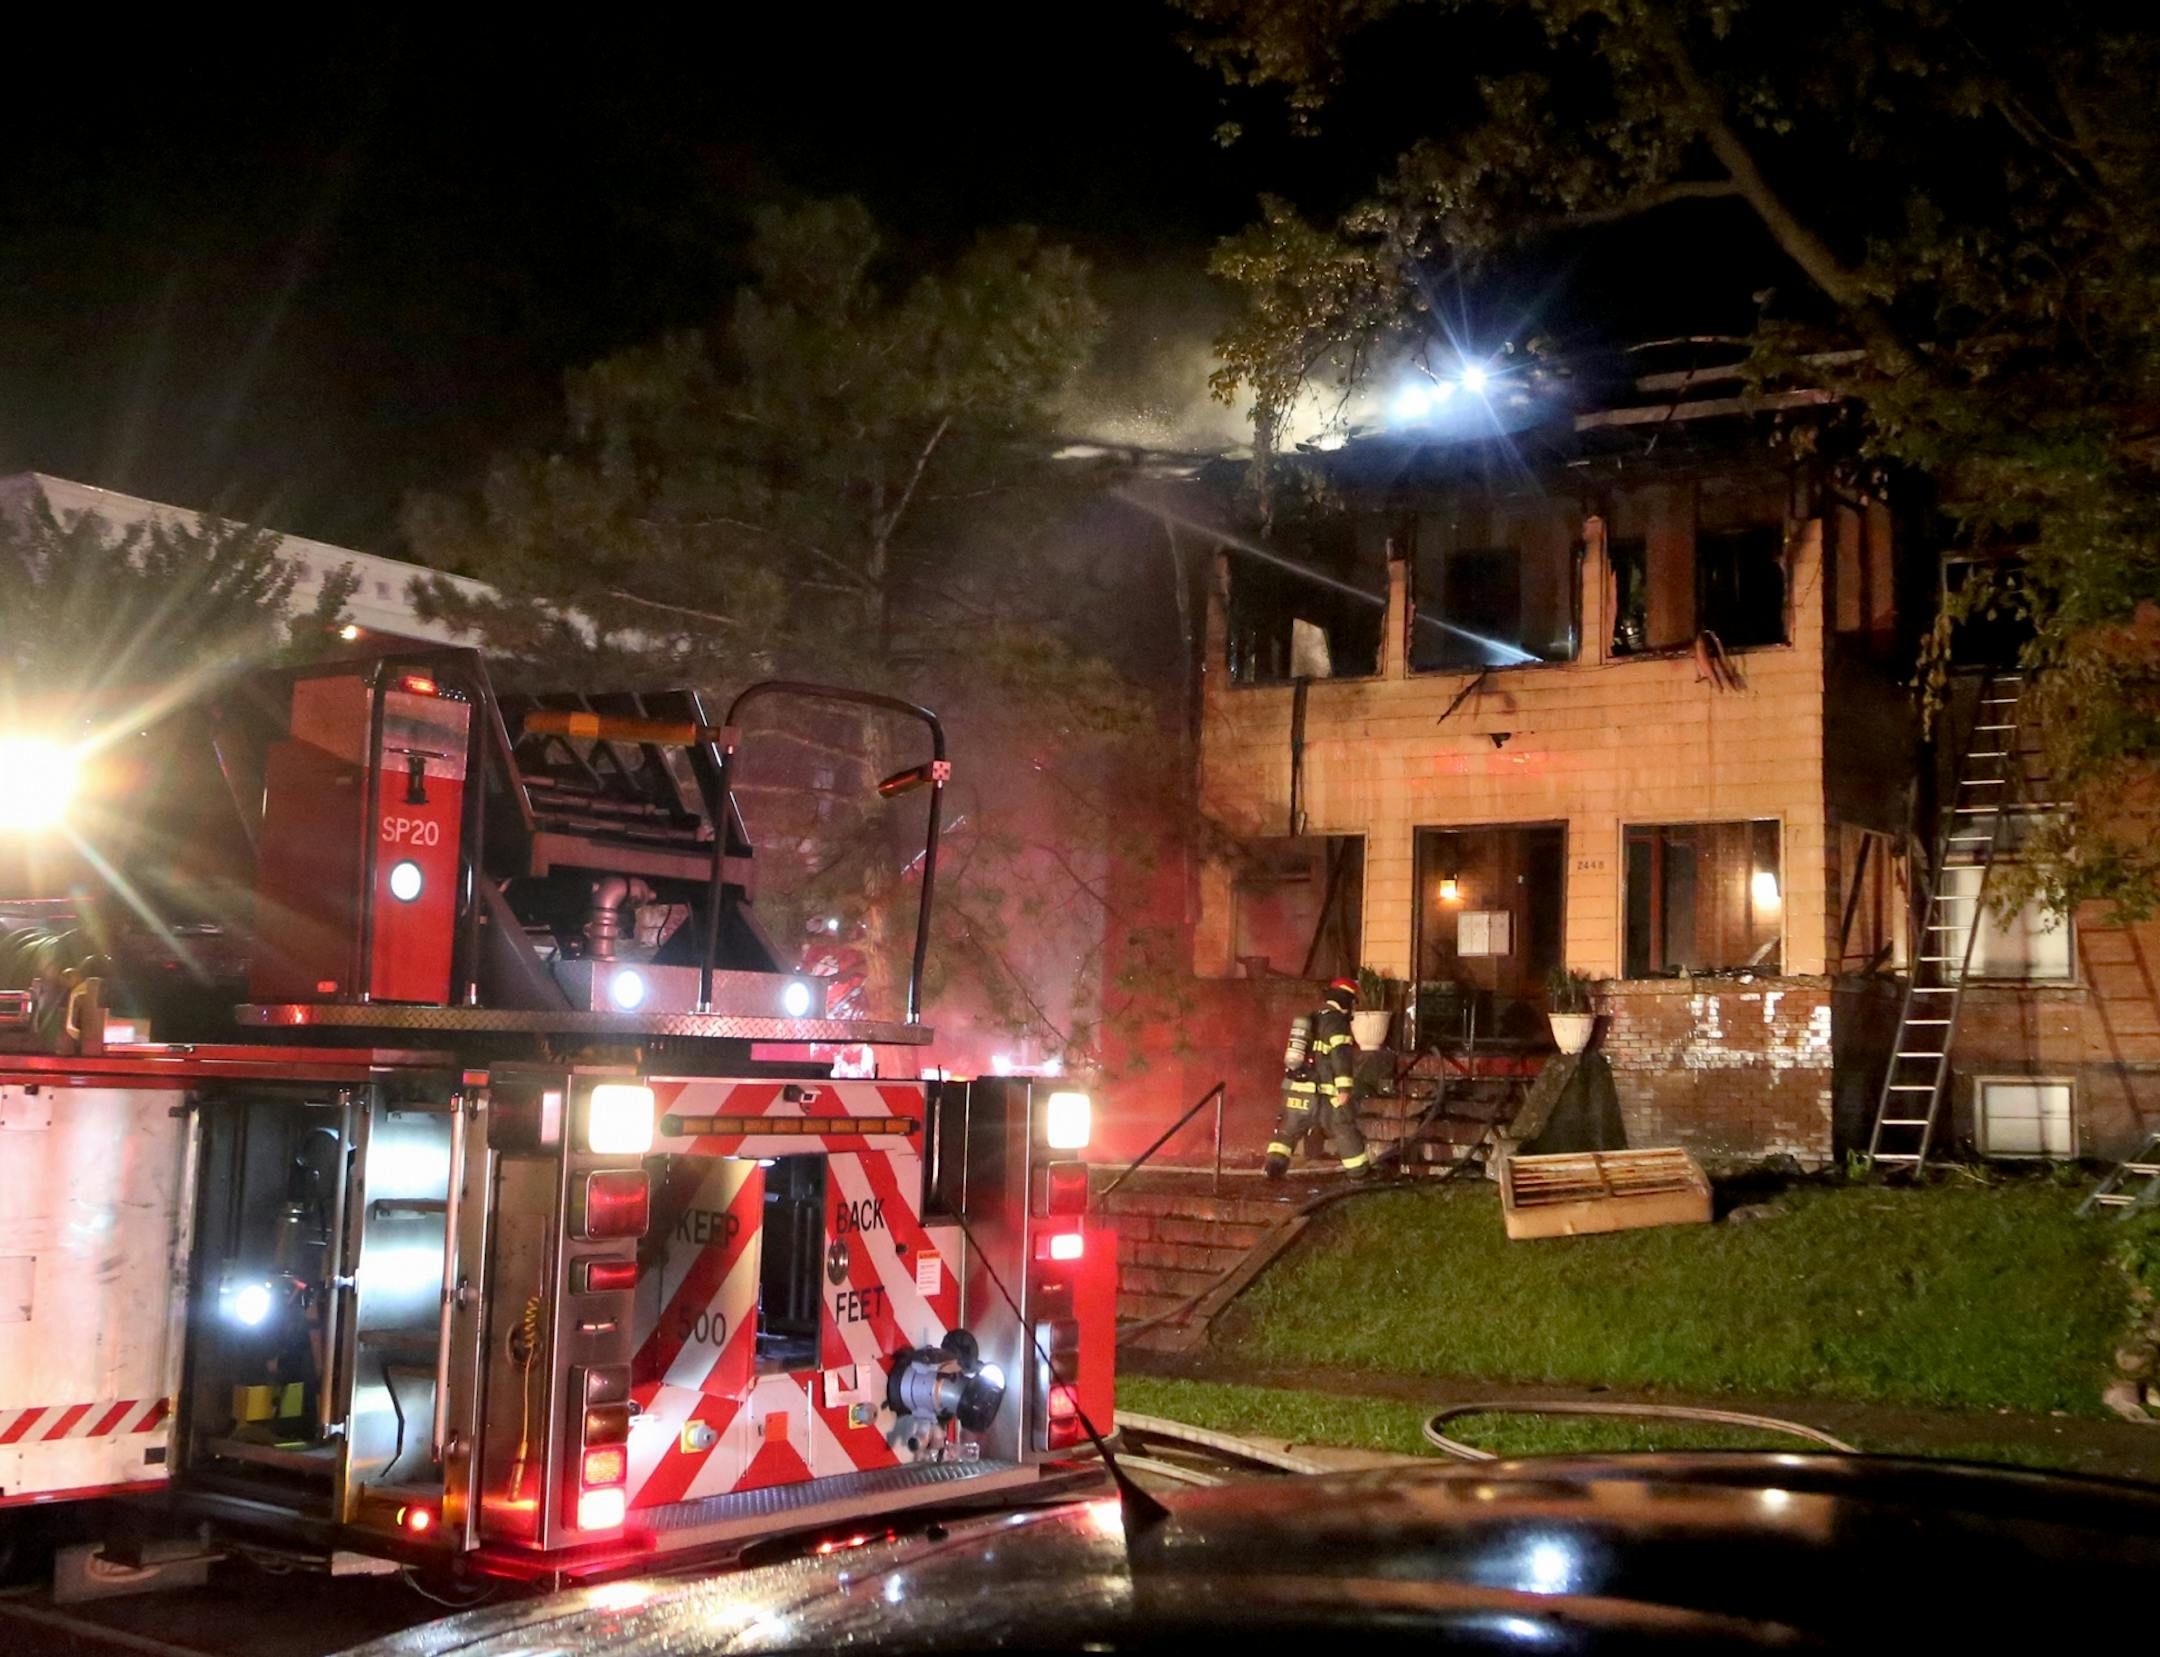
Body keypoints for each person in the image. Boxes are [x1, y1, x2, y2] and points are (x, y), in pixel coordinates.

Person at [1265, 976, 1372, 1180]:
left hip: (1296, 1089)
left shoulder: (1312, 1017)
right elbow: (1340, 1057)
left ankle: (1273, 1167)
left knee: (1287, 1132)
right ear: (1347, 1001)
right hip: (1323, 1094)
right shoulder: (1336, 1022)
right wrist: (1344, 1089)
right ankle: (1360, 1172)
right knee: (1342, 1127)